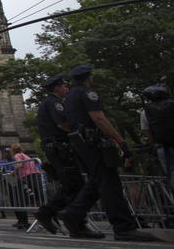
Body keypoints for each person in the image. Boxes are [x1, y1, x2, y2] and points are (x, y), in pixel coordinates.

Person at [59, 64, 159, 242]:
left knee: (97, 182)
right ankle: (123, 227)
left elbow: (64, 124)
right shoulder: (87, 93)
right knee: (110, 184)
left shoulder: (68, 98)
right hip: (95, 144)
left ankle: (73, 215)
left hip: (80, 145)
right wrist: (120, 141)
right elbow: (99, 118)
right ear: (89, 78)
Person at [34, 74, 97, 236]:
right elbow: (63, 124)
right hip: (61, 150)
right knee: (75, 184)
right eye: (63, 86)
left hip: (57, 150)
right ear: (55, 88)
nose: (66, 88)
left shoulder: (48, 104)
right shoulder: (54, 103)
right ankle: (74, 222)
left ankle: (52, 214)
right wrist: (81, 132)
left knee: (72, 185)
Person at [140, 83, 174, 189]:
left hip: (163, 148)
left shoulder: (145, 112)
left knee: (171, 172)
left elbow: (147, 132)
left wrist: (155, 144)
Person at [10, 143, 44, 227]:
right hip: (35, 176)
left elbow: (19, 164)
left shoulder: (17, 155)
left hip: (27, 178)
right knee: (37, 199)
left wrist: (13, 172)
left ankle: (23, 220)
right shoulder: (25, 155)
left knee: (20, 199)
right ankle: (42, 219)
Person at [0, 147, 26, 227]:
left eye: (8, 152)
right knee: (13, 202)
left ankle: (24, 220)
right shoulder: (3, 161)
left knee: (20, 201)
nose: (6, 154)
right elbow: (1, 170)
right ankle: (20, 220)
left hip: (18, 182)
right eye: (5, 152)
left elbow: (18, 168)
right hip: (9, 182)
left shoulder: (15, 159)